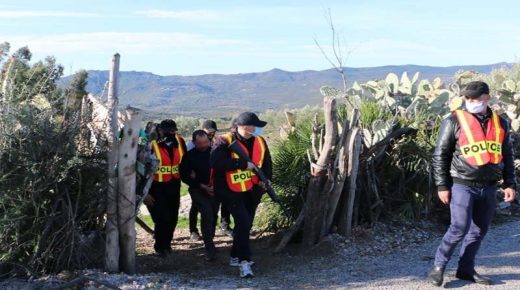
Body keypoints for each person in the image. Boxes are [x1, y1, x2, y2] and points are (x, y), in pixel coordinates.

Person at [429, 81, 516, 286]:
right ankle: (438, 266)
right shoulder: (453, 121)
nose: (470, 102)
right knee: (459, 227)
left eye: (475, 99)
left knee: (479, 230)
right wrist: (442, 185)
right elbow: (440, 155)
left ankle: (466, 269)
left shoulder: (501, 123)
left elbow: (507, 155)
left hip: (489, 186)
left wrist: (510, 184)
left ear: (487, 99)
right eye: (467, 99)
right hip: (462, 184)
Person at [210, 112, 272, 278]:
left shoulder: (260, 141)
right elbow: (216, 162)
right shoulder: (223, 140)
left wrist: (266, 180)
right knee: (243, 222)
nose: (257, 129)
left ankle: (234, 255)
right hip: (230, 191)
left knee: (245, 224)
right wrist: (242, 164)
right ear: (244, 127)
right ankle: (244, 262)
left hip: (253, 190)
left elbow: (266, 164)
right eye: (254, 126)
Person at [144, 119, 187, 257]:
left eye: (173, 131)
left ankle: (167, 245)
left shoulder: (179, 141)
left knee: (173, 217)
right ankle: (160, 247)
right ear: (161, 131)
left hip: (174, 185)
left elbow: (185, 161)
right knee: (162, 218)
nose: (171, 133)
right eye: (168, 131)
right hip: (156, 187)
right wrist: (145, 193)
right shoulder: (151, 144)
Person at [180, 130, 219, 261]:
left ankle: (210, 240)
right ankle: (208, 246)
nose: (203, 145)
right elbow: (184, 176)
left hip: (215, 189)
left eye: (205, 142)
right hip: (198, 189)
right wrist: (201, 185)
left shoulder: (216, 152)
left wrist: (215, 186)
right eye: (199, 143)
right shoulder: (189, 156)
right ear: (194, 142)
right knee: (206, 212)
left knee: (213, 214)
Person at [187, 120, 219, 241]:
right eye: (209, 132)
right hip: (197, 184)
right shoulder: (192, 146)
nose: (211, 134)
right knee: (196, 207)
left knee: (212, 209)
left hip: (212, 183)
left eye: (213, 132)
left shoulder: (214, 142)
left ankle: (210, 235)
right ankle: (193, 231)